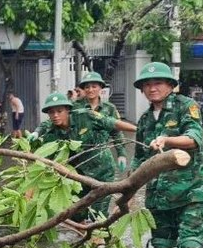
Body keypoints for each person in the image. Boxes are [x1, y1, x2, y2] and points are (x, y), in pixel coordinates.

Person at [131, 62, 203, 248]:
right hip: (158, 196)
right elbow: (139, 160)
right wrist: (128, 193)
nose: (152, 88)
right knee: (161, 246)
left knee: (191, 245)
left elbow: (194, 139)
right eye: (147, 85)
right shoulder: (144, 120)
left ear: (170, 86)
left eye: (157, 83)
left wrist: (167, 139)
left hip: (190, 192)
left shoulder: (186, 105)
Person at [29, 92, 136, 220]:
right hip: (77, 177)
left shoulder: (85, 116)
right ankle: (85, 235)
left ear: (68, 110)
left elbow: (113, 123)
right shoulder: (51, 133)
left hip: (101, 172)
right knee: (76, 213)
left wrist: (137, 130)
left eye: (59, 111)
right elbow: (46, 161)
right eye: (51, 112)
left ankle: (101, 236)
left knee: (98, 215)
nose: (55, 115)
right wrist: (32, 186)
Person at [73, 71, 129, 174]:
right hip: (80, 162)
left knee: (106, 188)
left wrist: (121, 154)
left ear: (101, 88)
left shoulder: (109, 108)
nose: (90, 90)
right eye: (87, 87)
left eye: (94, 86)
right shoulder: (75, 107)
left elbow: (116, 132)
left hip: (103, 162)